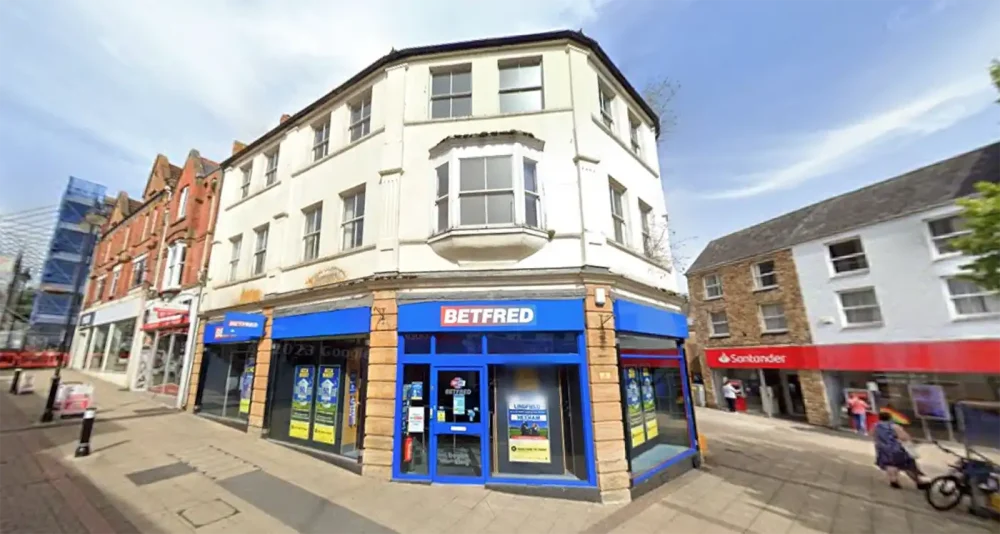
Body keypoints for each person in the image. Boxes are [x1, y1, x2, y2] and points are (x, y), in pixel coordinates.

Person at [873, 411, 927, 489]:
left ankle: (893, 480)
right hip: (896, 448)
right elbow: (904, 437)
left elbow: (872, 434)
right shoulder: (894, 426)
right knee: (908, 465)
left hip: (883, 449)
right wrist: (912, 441)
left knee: (890, 464)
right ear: (890, 418)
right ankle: (919, 482)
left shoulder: (876, 426)